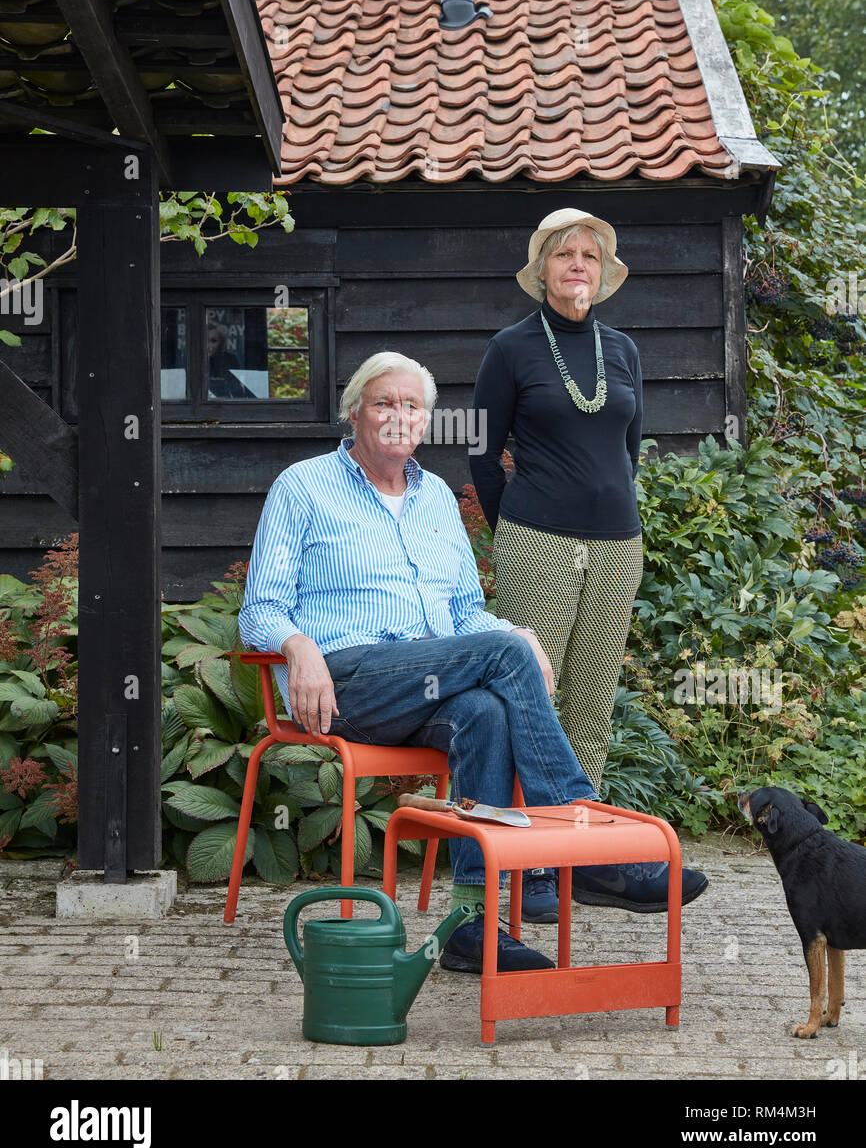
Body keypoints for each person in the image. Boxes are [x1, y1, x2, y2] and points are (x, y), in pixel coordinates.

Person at [238, 351, 686, 975]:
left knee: (484, 712)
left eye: (412, 406)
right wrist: (299, 647)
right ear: (354, 413)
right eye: (383, 403)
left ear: (426, 422)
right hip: (345, 685)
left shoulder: (438, 502)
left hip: (425, 690)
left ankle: (472, 926)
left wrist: (516, 635)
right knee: (501, 656)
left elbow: (466, 615)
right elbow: (260, 607)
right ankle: (585, 843)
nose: (399, 416)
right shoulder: (304, 486)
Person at [470, 208, 708, 920]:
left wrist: (605, 508)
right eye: (565, 254)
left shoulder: (625, 350)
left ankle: (577, 858)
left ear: (602, 273)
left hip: (617, 544)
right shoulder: (510, 348)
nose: (579, 264)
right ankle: (529, 868)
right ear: (541, 268)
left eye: (590, 256)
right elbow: (482, 454)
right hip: (536, 543)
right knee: (530, 700)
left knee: (591, 706)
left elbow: (628, 451)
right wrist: (520, 519)